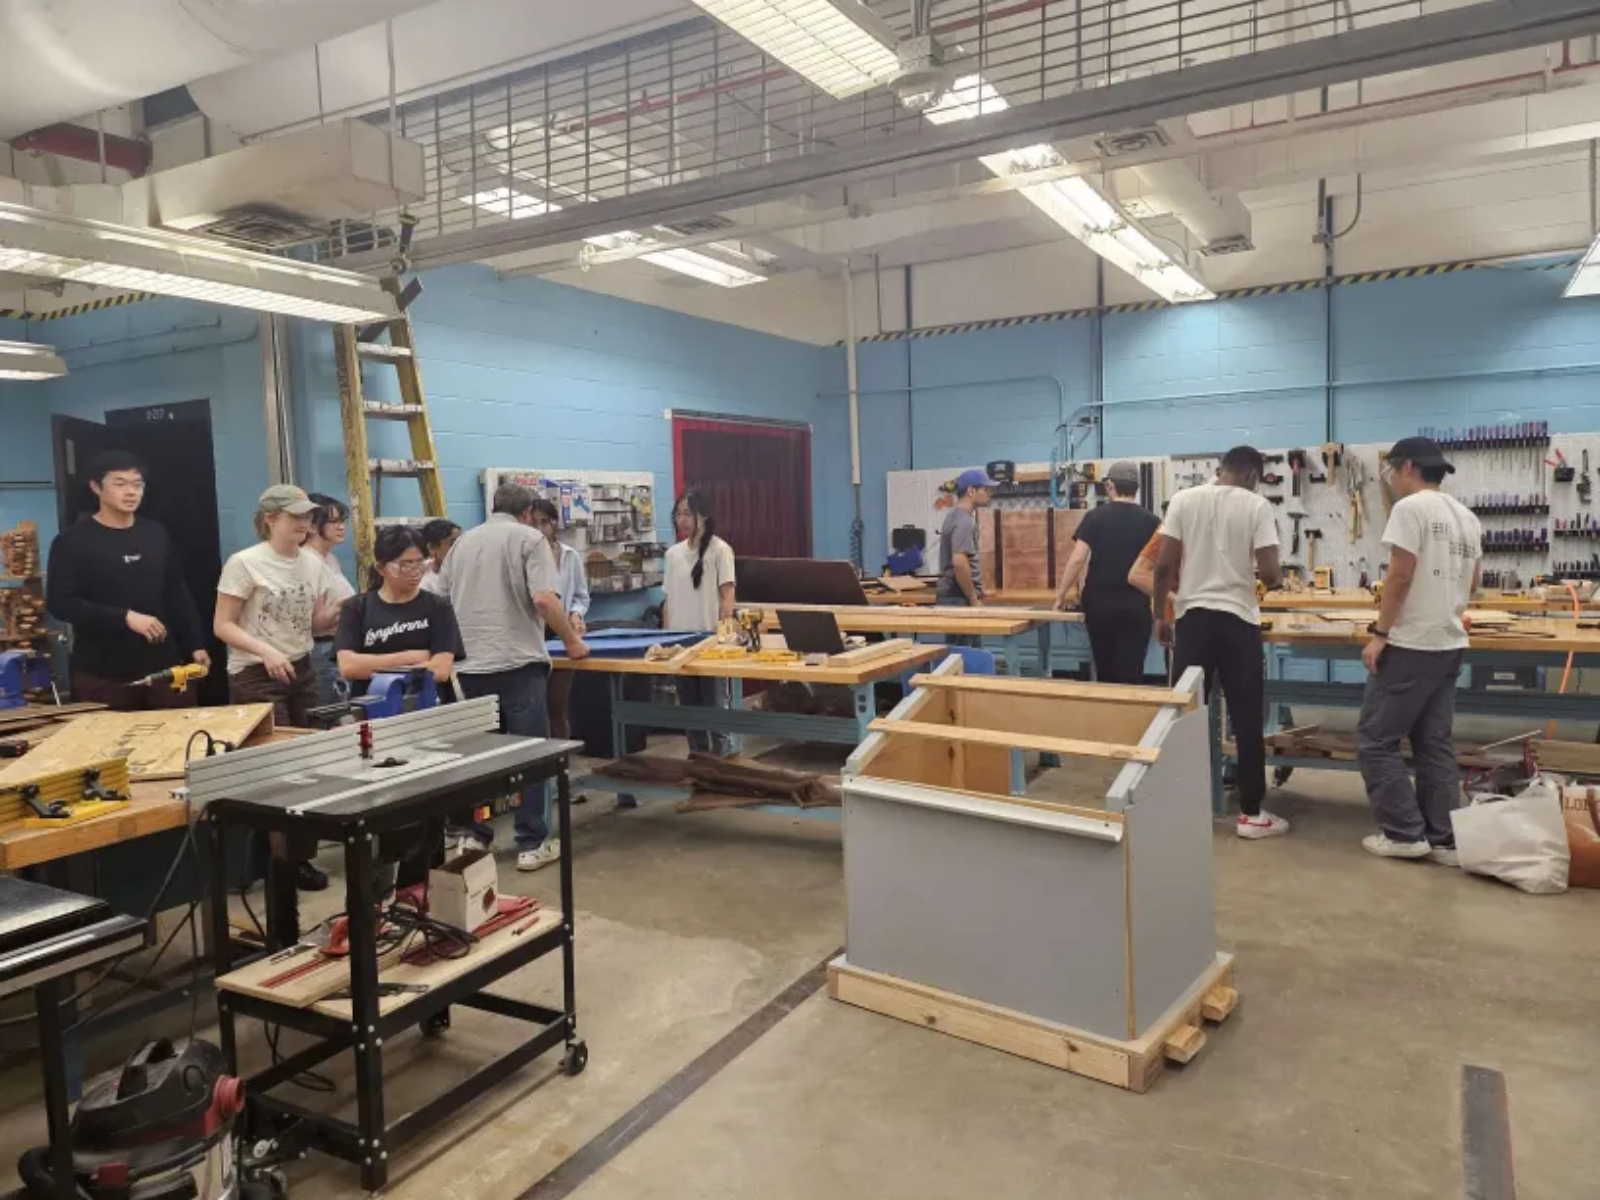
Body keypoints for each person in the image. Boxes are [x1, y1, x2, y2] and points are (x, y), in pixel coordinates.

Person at [437, 484, 589, 871]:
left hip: (468, 669)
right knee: (530, 756)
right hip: (518, 665)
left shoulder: (462, 544)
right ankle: (531, 842)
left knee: (481, 759)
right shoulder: (530, 539)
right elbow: (543, 599)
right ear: (525, 514)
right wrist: (572, 642)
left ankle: (476, 836)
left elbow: (441, 601)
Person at [1357, 437, 1482, 865]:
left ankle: (1404, 833)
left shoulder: (1410, 510)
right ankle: (1445, 838)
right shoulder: (1466, 517)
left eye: (1392, 470)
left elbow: (1399, 577)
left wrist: (1380, 632)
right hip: (1449, 642)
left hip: (1411, 644)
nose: (1390, 478)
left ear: (1407, 466)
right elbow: (1474, 583)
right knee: (1434, 744)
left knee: (1375, 741)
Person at [1152, 446, 1286, 839]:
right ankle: (1251, 814)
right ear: (1252, 476)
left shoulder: (1183, 499)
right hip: (1237, 621)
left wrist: (1161, 614)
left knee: (1182, 715)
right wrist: (1274, 580)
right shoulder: (1256, 505)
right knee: (1245, 718)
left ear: (1218, 469)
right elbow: (1271, 570)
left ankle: (1173, 802)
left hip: (1192, 620)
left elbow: (1163, 566)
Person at [215, 484, 344, 891]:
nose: (304, 525)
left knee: (308, 764)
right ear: (271, 519)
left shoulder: (311, 563)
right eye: (295, 518)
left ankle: (298, 858)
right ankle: (278, 863)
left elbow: (313, 623)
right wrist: (266, 651)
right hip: (256, 673)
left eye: (308, 517)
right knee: (277, 769)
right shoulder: (245, 563)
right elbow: (223, 625)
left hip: (301, 668)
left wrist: (343, 615)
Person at [46, 450, 209, 710]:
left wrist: (195, 643)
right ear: (95, 487)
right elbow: (60, 603)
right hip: (103, 673)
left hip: (164, 667)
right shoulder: (72, 541)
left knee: (176, 743)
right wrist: (123, 617)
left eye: (137, 484)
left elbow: (176, 592)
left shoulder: (155, 533)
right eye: (119, 484)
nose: (131, 492)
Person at [1054, 462, 1160, 684]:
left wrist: (1060, 596)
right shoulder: (1152, 521)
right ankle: (1131, 716)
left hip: (1099, 605)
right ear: (1136, 488)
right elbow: (1160, 567)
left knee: (1105, 670)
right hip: (1135, 605)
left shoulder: (1095, 517)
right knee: (1131, 670)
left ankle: (1106, 715)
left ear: (1110, 485)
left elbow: (1077, 559)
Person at [663, 489, 737, 756]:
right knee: (690, 710)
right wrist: (667, 640)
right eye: (678, 514)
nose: (682, 520)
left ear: (703, 515)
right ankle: (698, 761)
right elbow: (669, 600)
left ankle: (723, 762)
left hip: (710, 642)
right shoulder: (672, 555)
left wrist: (722, 636)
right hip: (681, 645)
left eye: (687, 514)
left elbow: (728, 596)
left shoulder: (720, 550)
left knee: (716, 707)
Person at [527, 499, 591, 742]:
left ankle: (561, 763)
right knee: (535, 707)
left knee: (557, 705)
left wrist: (575, 613)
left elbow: (581, 596)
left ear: (554, 523)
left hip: (561, 635)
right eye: (534, 523)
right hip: (532, 636)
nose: (540, 528)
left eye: (545, 522)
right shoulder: (524, 557)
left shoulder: (569, 556)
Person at [302, 494, 356, 706]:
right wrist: (346, 606)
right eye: (334, 522)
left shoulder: (330, 558)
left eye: (343, 521)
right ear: (313, 527)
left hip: (338, 644)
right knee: (333, 713)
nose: (341, 527)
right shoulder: (307, 560)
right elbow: (313, 624)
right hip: (321, 648)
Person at [936, 468, 997, 647]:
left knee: (963, 656)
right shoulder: (964, 521)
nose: (990, 494)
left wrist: (979, 589)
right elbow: (960, 563)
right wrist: (973, 599)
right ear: (971, 491)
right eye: (985, 489)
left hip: (956, 596)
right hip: (957, 598)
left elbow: (967, 560)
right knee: (964, 658)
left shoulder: (954, 516)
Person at [419, 518, 462, 596]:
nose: (460, 549)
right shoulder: (425, 585)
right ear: (432, 548)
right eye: (452, 544)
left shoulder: (466, 573)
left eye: (462, 543)